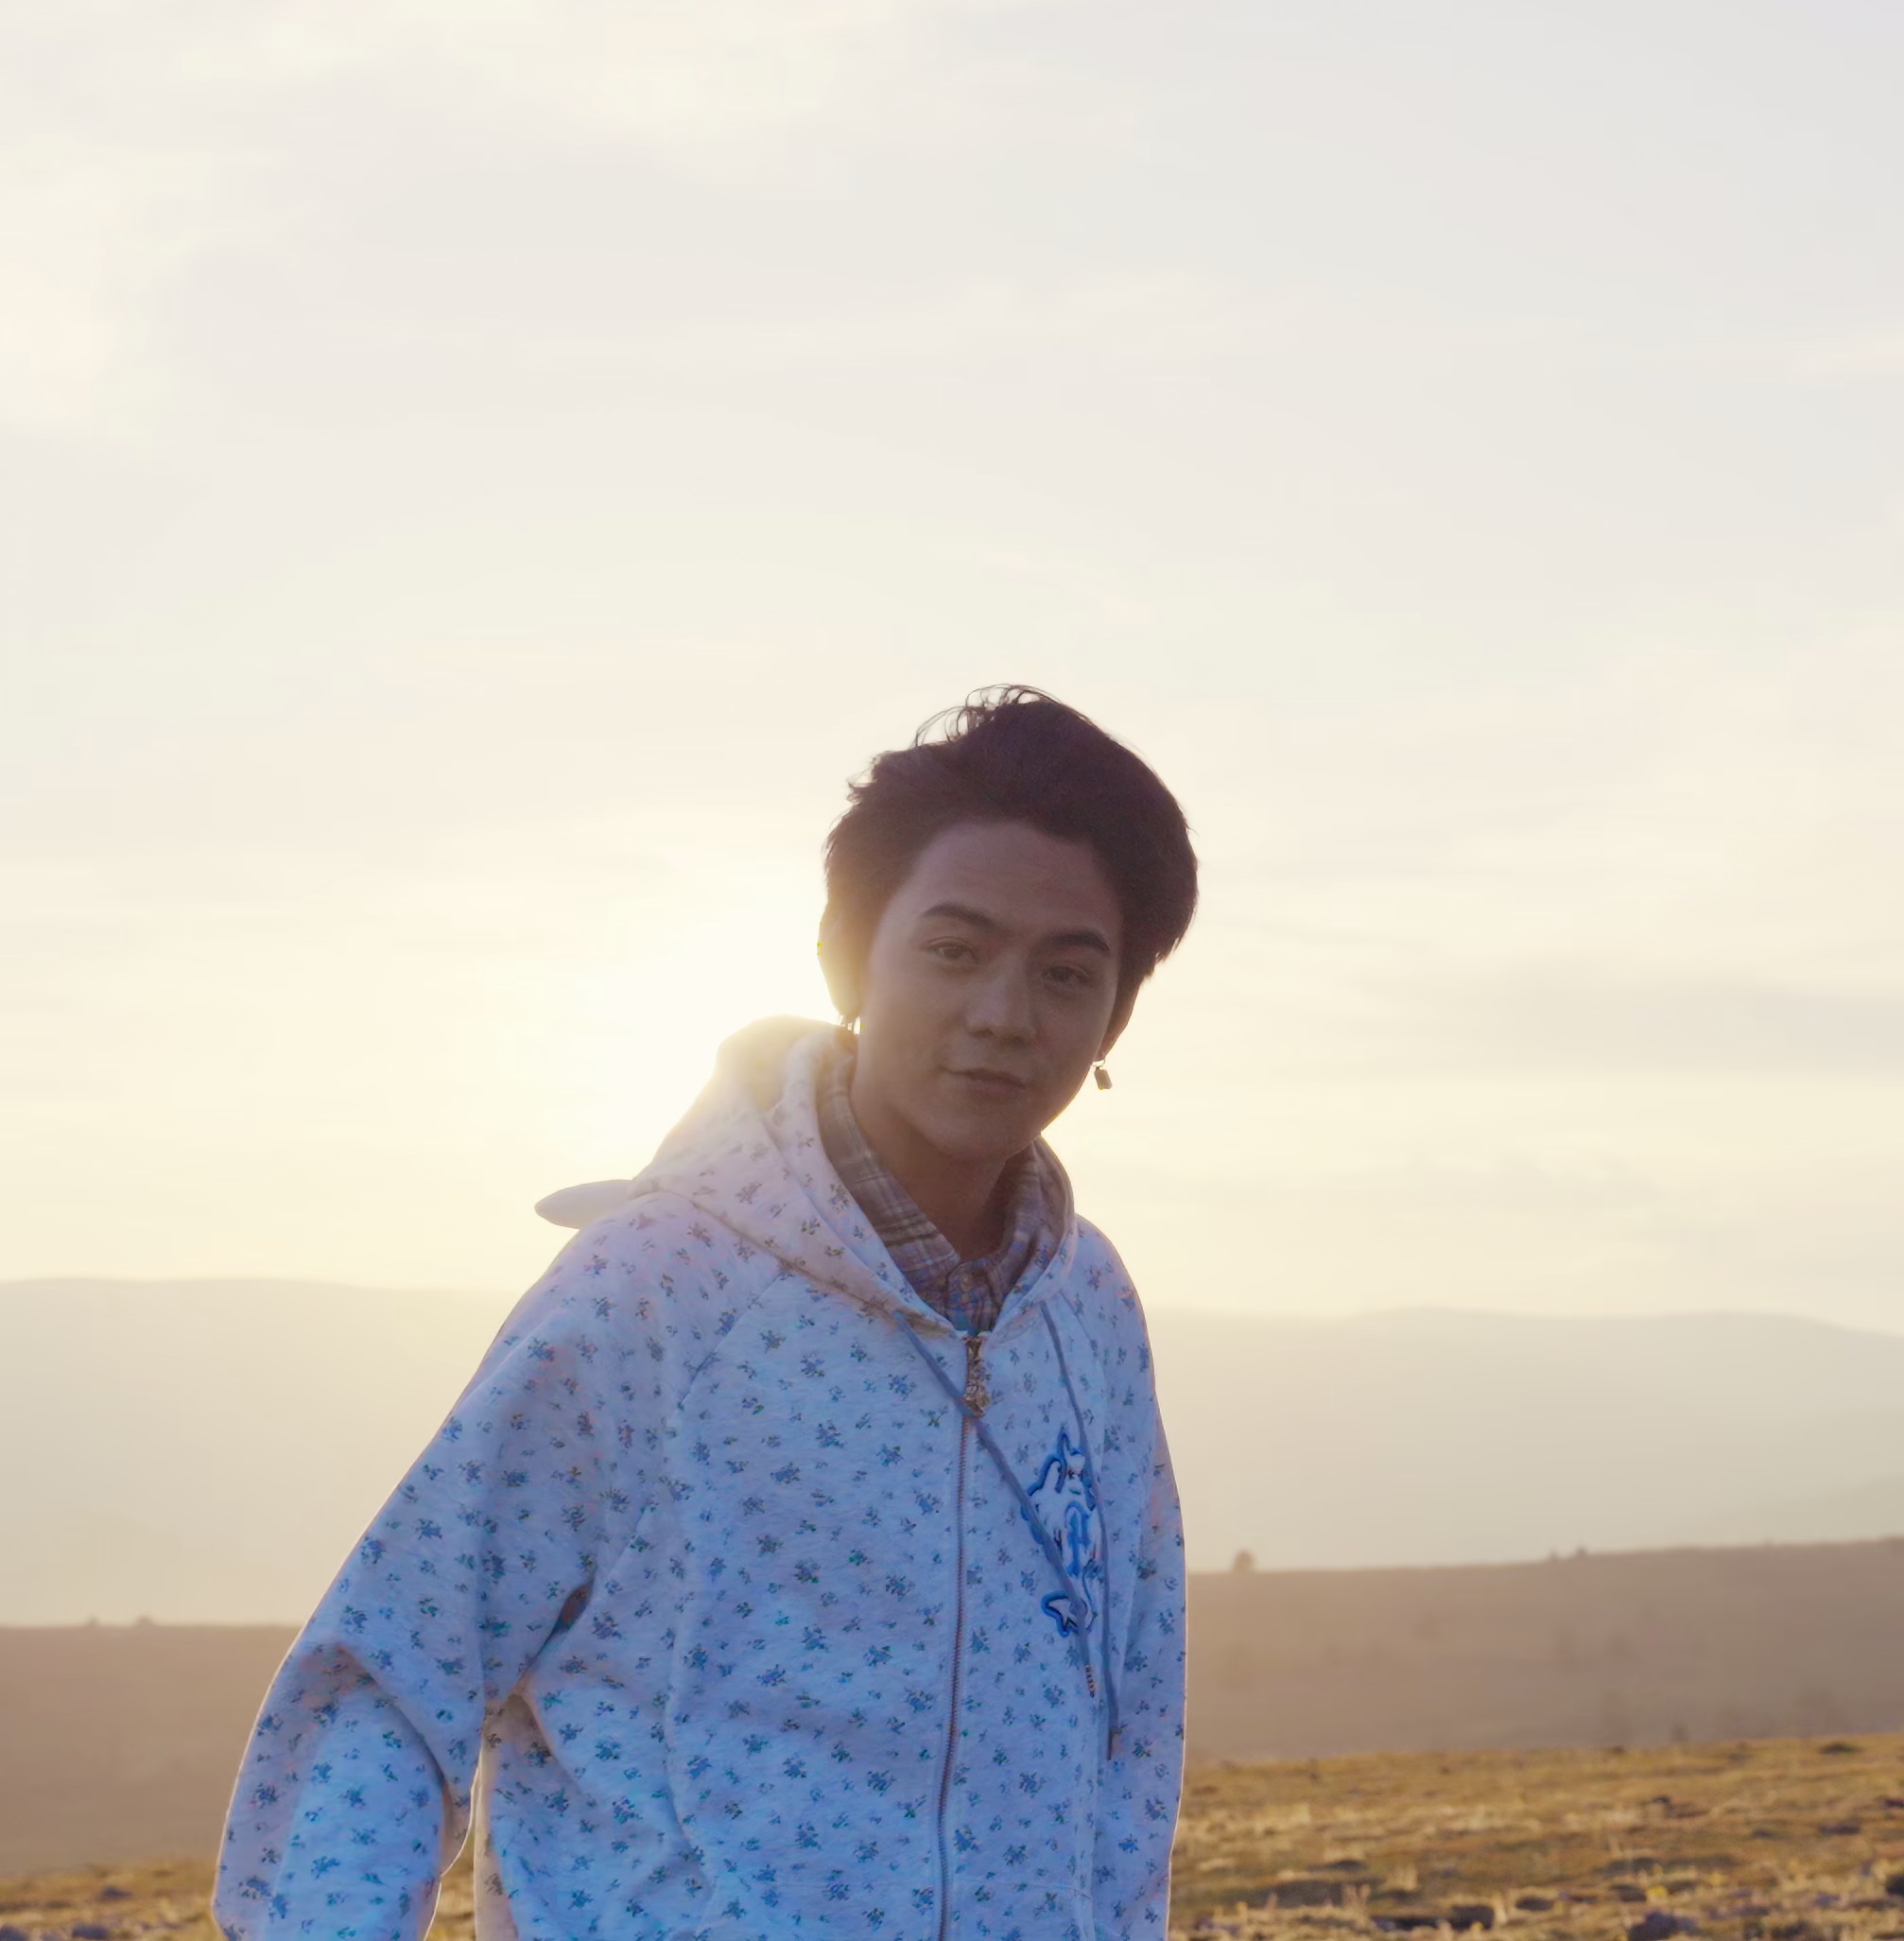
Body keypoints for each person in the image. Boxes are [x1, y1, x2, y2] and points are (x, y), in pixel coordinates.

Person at [217, 686, 1199, 1941]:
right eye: (955, 951)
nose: (1005, 1016)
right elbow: (392, 1679)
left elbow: (1133, 1722)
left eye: (1067, 973)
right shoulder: (656, 1288)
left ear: (1116, 1014)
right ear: (852, 959)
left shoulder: (1087, 1306)